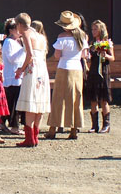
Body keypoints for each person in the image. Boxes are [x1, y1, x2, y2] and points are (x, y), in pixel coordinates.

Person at [44, 11, 88, 140]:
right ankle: (74, 129)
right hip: (77, 69)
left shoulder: (62, 37)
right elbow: (84, 55)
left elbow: (57, 55)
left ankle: (53, 129)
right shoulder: (82, 36)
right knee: (76, 98)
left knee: (59, 98)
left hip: (64, 68)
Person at [14, 13, 50, 147]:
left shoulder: (27, 34)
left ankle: (29, 139)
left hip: (33, 69)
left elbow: (29, 54)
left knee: (30, 102)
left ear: (19, 24)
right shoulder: (41, 36)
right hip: (42, 68)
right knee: (39, 102)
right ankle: (35, 137)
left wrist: (21, 69)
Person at [86, 20, 114, 133]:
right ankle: (94, 125)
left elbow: (112, 58)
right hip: (93, 71)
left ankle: (106, 125)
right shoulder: (92, 43)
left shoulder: (106, 42)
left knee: (104, 99)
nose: (93, 31)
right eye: (92, 29)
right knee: (93, 99)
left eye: (95, 29)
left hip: (103, 71)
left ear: (101, 30)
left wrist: (105, 55)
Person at [1, 18, 26, 134]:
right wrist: (24, 50)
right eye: (17, 29)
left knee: (13, 102)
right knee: (13, 102)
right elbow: (11, 58)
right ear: (11, 30)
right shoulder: (9, 42)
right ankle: (14, 126)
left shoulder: (16, 42)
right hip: (12, 75)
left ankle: (4, 123)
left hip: (17, 75)